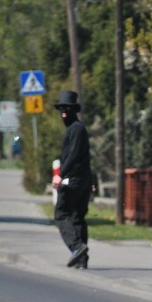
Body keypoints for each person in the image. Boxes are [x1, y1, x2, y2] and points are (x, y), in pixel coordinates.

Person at [52, 90, 95, 269]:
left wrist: (60, 175)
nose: (64, 113)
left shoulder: (76, 129)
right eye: (61, 109)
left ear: (74, 110)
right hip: (83, 180)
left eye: (67, 109)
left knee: (61, 213)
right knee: (77, 217)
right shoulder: (77, 129)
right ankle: (82, 260)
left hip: (73, 180)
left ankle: (76, 248)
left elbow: (73, 155)